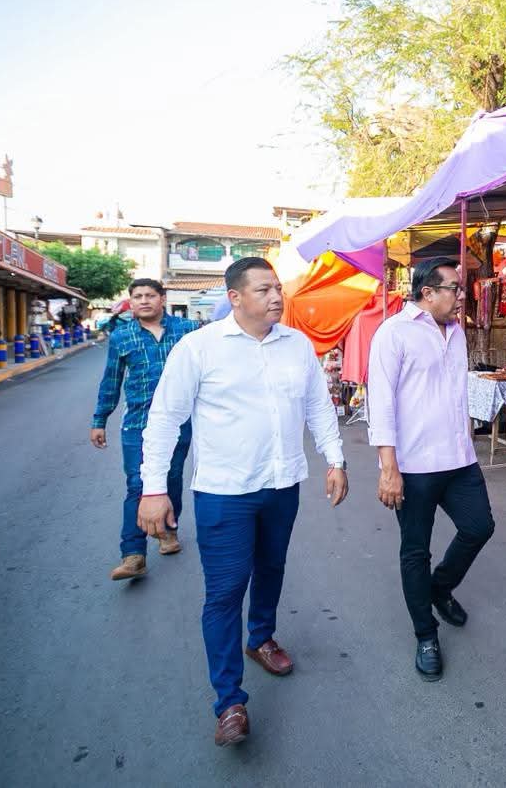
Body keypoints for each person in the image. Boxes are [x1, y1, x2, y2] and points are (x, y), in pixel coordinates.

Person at [137, 257, 348, 746]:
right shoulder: (199, 348)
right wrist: (153, 489)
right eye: (263, 290)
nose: (276, 297)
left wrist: (335, 459)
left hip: (282, 484)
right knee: (225, 592)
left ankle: (261, 638)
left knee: (271, 568)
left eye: (277, 288)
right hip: (223, 492)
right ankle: (229, 700)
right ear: (234, 297)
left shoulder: (297, 345)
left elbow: (318, 406)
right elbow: (165, 419)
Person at [367, 256, 495, 683]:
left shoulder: (456, 333)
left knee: (479, 527)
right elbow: (381, 402)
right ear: (427, 293)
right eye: (455, 289)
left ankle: (440, 587)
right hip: (414, 465)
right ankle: (426, 635)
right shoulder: (393, 333)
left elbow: (456, 393)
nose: (462, 296)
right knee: (415, 551)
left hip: (459, 459)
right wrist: (389, 467)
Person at [90, 280, 198, 580]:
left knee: (171, 477)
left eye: (150, 295)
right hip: (138, 423)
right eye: (137, 296)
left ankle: (168, 531)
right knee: (138, 484)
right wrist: (99, 420)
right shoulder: (121, 336)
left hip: (178, 422)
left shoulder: (188, 330)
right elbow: (111, 381)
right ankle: (133, 554)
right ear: (131, 302)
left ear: (162, 299)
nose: (144, 300)